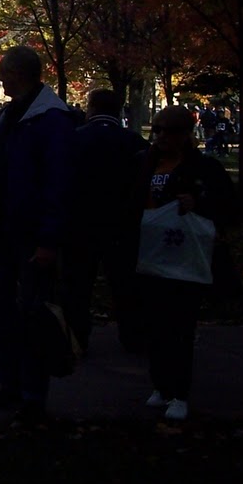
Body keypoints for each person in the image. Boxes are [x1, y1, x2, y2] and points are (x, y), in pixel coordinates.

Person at [0, 46, 74, 420]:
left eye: (4, 72)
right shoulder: (10, 116)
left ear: (19, 73)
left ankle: (32, 392)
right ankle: (10, 383)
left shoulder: (50, 120)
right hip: (1, 229)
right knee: (0, 304)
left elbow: (58, 183)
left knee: (33, 312)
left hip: (30, 234)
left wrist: (49, 239)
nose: (0, 79)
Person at [133, 105, 237, 421]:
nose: (162, 137)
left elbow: (229, 205)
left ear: (186, 135)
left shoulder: (203, 168)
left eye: (170, 131)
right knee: (153, 325)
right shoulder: (143, 163)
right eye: (158, 130)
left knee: (179, 326)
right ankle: (161, 384)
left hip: (184, 256)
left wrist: (199, 203)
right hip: (148, 254)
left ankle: (179, 391)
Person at [63, 88, 146, 354]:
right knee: (125, 283)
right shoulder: (134, 143)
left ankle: (77, 337)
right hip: (122, 223)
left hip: (81, 223)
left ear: (91, 108)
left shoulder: (75, 139)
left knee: (78, 284)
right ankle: (132, 336)